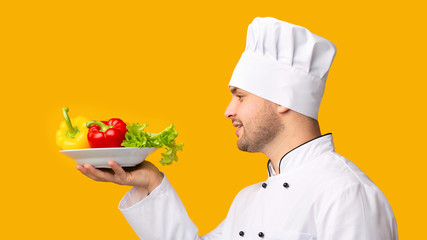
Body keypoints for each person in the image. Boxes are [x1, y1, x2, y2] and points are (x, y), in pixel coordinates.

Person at [77, 17, 398, 239]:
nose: (229, 110)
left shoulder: (346, 193)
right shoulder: (247, 201)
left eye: (240, 96)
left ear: (282, 99)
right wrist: (150, 183)